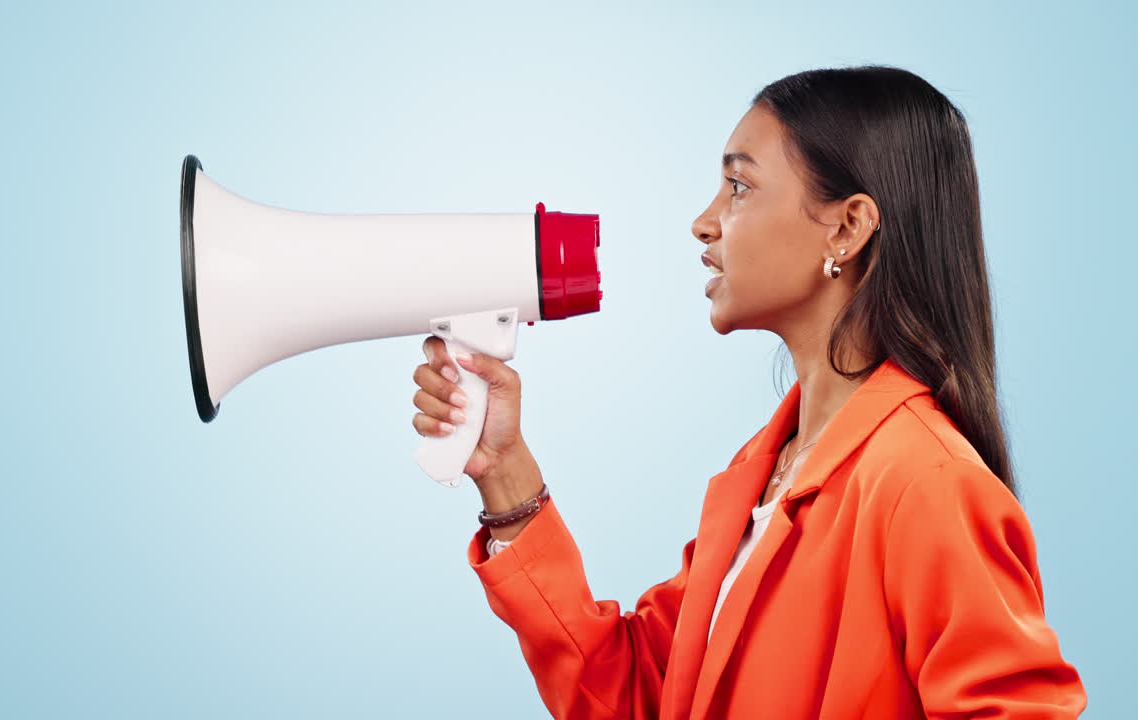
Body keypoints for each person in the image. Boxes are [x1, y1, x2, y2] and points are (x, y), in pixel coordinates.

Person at [409, 65, 1087, 719]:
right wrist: (504, 474)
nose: (704, 222)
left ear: (848, 228)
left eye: (739, 186)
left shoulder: (925, 483)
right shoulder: (761, 478)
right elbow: (634, 697)